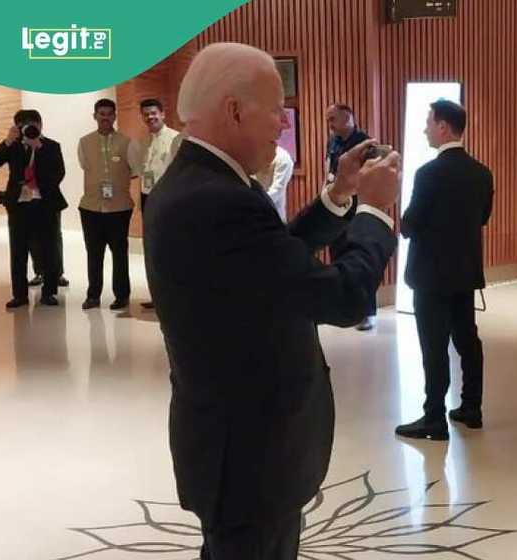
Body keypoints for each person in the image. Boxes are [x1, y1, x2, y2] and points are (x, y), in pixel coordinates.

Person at [144, 42, 400, 559]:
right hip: (250, 456)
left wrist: (339, 195)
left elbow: (272, 256)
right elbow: (345, 297)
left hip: (237, 447)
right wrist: (374, 212)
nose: (283, 124)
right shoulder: (218, 198)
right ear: (234, 110)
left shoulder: (203, 181)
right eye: (276, 109)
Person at [396, 100, 494, 441]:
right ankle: (472, 407)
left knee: (433, 346)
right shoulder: (482, 173)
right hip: (464, 273)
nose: (425, 129)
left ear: (443, 127)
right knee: (467, 339)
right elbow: (482, 217)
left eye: (428, 122)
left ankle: (434, 418)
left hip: (430, 276)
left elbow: (409, 224)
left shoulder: (427, 174)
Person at [0, 109, 66, 308]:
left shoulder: (50, 146)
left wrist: (38, 148)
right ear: (18, 127)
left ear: (40, 125)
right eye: (24, 124)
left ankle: (49, 292)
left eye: (33, 124)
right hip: (19, 205)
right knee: (18, 252)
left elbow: (58, 174)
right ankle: (20, 295)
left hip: (45, 204)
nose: (30, 128)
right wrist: (7, 140)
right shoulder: (13, 146)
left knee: (49, 249)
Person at [77, 98, 136, 311]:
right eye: (101, 114)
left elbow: (135, 170)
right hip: (91, 207)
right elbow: (85, 165)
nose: (105, 117)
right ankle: (93, 295)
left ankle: (122, 296)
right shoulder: (84, 142)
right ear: (95, 116)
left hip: (119, 208)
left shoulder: (127, 142)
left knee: (119, 253)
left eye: (109, 114)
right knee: (94, 253)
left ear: (114, 116)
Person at [324, 103, 377, 332]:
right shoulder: (333, 142)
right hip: (337, 206)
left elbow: (372, 176)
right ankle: (345, 309)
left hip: (357, 209)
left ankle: (367, 311)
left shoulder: (365, 144)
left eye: (332, 119)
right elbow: (329, 170)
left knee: (360, 259)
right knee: (339, 256)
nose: (329, 125)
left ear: (347, 118)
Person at [130, 98, 181, 309]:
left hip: (169, 198)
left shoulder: (176, 139)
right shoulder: (143, 142)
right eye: (146, 114)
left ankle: (174, 296)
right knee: (152, 250)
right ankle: (157, 295)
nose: (150, 117)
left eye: (154, 113)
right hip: (147, 198)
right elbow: (140, 172)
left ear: (163, 114)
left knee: (170, 249)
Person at [252, 145, 295, 222]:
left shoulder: (284, 159)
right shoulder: (253, 154)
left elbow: (277, 191)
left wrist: (254, 204)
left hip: (274, 216)